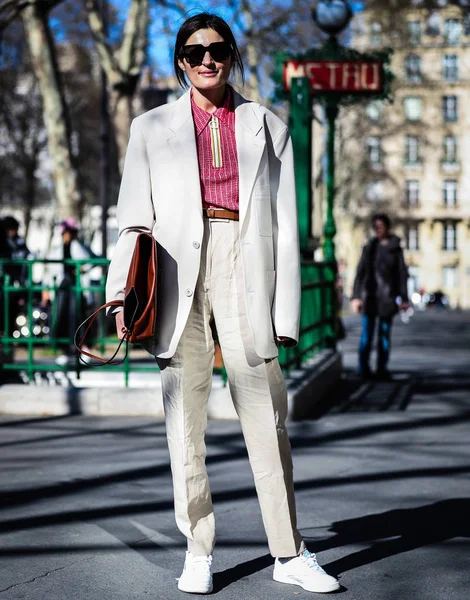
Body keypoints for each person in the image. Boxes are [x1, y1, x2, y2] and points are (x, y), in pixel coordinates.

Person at [106, 12, 340, 596]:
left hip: (245, 263)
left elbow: (287, 226)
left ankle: (289, 552)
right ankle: (197, 549)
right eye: (193, 52)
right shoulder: (149, 127)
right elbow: (133, 219)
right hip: (175, 270)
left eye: (217, 50)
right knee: (183, 421)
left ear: (232, 55)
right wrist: (117, 293)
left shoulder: (268, 125)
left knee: (266, 415)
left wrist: (285, 313)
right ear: (180, 61)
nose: (206, 60)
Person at [351, 213, 409, 380]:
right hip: (369, 298)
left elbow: (401, 275)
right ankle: (363, 369)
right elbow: (360, 273)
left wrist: (403, 298)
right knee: (366, 337)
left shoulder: (395, 248)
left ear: (387, 228)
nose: (377, 230)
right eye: (375, 227)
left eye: (380, 227)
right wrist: (356, 296)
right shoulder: (369, 247)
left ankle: (382, 369)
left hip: (387, 298)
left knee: (384, 337)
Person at [42, 218, 96, 365]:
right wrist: (45, 289)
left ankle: (83, 349)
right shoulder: (58, 250)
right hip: (63, 289)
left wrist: (81, 269)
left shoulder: (78, 247)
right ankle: (66, 350)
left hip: (76, 289)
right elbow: (50, 271)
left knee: (78, 318)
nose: (66, 236)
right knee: (62, 318)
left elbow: (90, 262)